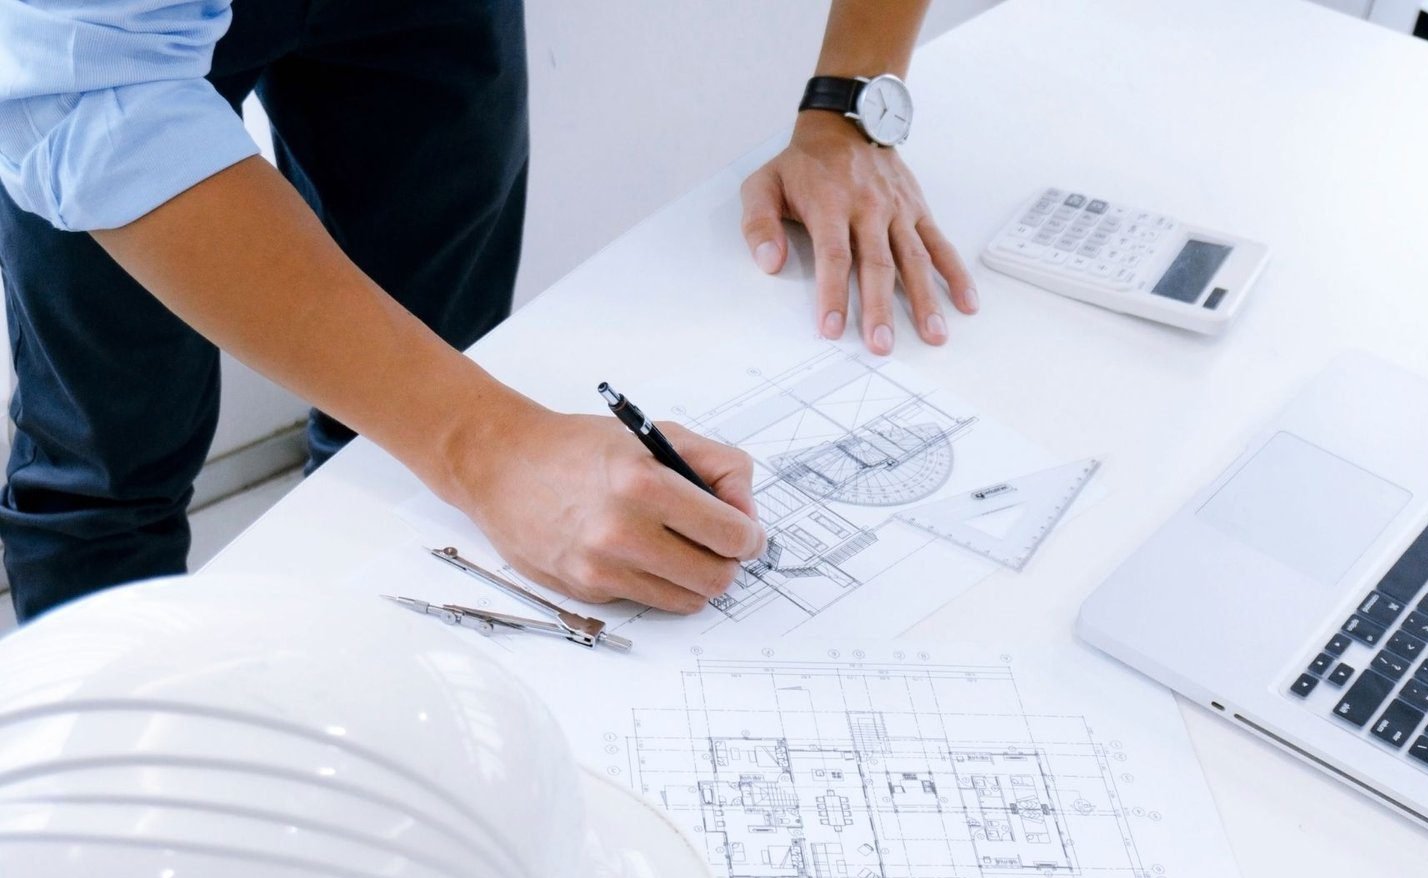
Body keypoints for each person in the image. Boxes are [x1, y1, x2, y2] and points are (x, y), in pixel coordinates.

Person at [0, 0, 978, 623]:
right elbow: (87, 92)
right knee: (105, 465)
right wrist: (485, 443)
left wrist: (848, 103)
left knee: (417, 389)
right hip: (96, 31)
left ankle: (372, 678)